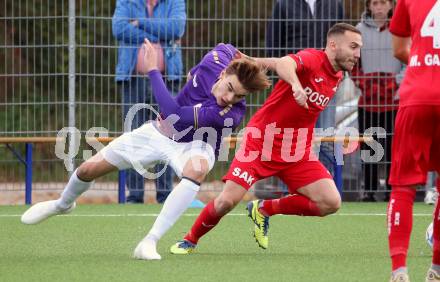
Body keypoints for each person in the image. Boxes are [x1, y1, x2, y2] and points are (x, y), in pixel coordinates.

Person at [20, 41, 272, 260]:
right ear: (225, 71)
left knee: (197, 169)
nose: (229, 98)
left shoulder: (229, 113)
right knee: (88, 169)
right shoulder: (215, 60)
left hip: (197, 144)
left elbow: (174, 114)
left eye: (238, 96)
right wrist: (198, 71)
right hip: (157, 133)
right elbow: (225, 48)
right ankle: (63, 204)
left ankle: (149, 241)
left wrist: (153, 70)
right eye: (229, 88)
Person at [170, 23, 362, 255]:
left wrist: (254, 59)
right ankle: (189, 240)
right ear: (333, 45)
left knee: (331, 202)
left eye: (359, 48)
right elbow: (286, 63)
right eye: (353, 47)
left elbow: (275, 62)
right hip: (260, 143)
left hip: (295, 151)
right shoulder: (312, 59)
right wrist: (295, 84)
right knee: (226, 202)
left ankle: (263, 209)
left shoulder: (339, 75)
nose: (357, 54)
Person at [386, 0, 440, 281]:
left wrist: (423, 59)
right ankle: (436, 269)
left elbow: (398, 49)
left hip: (417, 95)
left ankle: (399, 270)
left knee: (403, 185)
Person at [112, 0, 186, 203]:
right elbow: (119, 29)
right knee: (133, 136)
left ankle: (165, 195)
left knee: (167, 134)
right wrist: (159, 39)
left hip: (165, 80)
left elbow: (177, 28)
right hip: (132, 80)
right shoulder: (126, 1)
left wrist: (139, 23)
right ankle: (135, 195)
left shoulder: (175, 2)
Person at [266, 0, 345, 177]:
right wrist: (284, 78)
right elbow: (273, 44)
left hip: (326, 84)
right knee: (292, 138)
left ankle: (324, 183)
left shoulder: (335, 4)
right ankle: (291, 188)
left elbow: (344, 42)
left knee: (325, 137)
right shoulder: (283, 4)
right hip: (294, 85)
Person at [352, 0, 405, 202]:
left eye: (383, 3)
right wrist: (365, 84)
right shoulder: (358, 31)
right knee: (369, 145)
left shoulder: (400, 29)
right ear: (369, 6)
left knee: (393, 146)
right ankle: (370, 189)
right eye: (375, 3)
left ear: (391, 6)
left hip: (394, 99)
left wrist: (396, 83)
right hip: (368, 100)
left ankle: (393, 189)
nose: (379, 7)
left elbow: (407, 60)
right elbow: (352, 62)